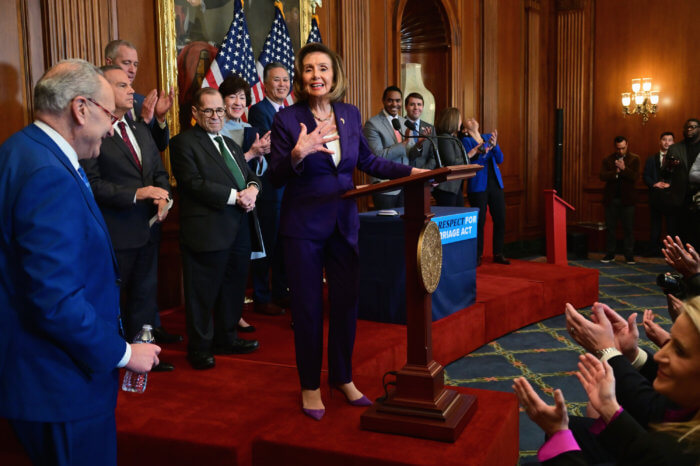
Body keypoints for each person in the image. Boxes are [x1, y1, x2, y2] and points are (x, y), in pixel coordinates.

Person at [0, 59, 160, 465]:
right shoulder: (46, 173)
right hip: (59, 385)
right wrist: (124, 354)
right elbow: (56, 302)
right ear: (81, 108)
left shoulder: (21, 150)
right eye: (110, 115)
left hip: (38, 377)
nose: (111, 128)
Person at [269, 42, 424, 420]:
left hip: (344, 224)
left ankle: (342, 376)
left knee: (346, 303)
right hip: (303, 228)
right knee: (307, 309)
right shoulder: (288, 120)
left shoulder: (350, 115)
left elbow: (368, 161)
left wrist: (413, 173)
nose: (315, 75)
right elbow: (273, 177)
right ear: (301, 77)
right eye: (308, 69)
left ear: (334, 75)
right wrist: (297, 154)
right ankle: (309, 385)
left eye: (322, 68)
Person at [514, 298, 700, 465]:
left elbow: (655, 424)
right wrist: (610, 408)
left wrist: (558, 436)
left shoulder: (680, 452)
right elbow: (663, 411)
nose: (659, 355)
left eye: (679, 350)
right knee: (576, 428)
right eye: (669, 341)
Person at [79, 66, 175, 372]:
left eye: (130, 83)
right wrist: (139, 193)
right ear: (102, 92)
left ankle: (143, 353)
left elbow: (158, 171)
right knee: (114, 300)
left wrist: (163, 195)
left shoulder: (138, 128)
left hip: (148, 229)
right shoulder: (94, 133)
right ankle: (113, 357)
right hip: (115, 232)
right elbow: (92, 184)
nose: (131, 89)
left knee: (144, 296)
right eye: (122, 85)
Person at [170, 87, 261, 370]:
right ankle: (199, 347)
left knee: (233, 289)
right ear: (195, 113)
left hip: (238, 230)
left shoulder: (231, 144)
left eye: (219, 110)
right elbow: (193, 183)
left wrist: (253, 190)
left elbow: (250, 176)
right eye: (208, 110)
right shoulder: (183, 143)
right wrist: (238, 197)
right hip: (206, 231)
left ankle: (227, 338)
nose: (215, 116)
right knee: (202, 293)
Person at [219, 73, 271, 333]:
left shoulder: (251, 129)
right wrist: (251, 153)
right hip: (221, 204)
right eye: (232, 96)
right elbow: (225, 168)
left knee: (241, 264)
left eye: (242, 97)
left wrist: (260, 155)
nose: (238, 102)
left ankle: (235, 312)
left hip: (248, 203)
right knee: (223, 264)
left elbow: (258, 171)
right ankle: (222, 315)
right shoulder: (215, 128)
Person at [248, 62, 292, 316]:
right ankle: (262, 297)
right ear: (265, 83)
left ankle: (281, 292)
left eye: (286, 80)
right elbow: (274, 145)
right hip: (271, 190)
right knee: (268, 243)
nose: (282, 84)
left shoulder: (292, 110)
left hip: (290, 190)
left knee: (285, 244)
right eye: (277, 80)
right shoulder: (259, 110)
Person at [105, 39, 174, 152]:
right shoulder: (97, 101)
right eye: (126, 63)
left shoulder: (142, 101)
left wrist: (160, 118)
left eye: (135, 64)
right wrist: (143, 121)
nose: (132, 70)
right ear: (109, 62)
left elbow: (160, 145)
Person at [363, 86, 423, 209]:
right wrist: (404, 144)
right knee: (388, 226)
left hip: (406, 184)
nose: (394, 104)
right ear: (383, 101)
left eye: (398, 100)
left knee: (404, 226)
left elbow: (410, 154)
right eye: (390, 100)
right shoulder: (372, 124)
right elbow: (377, 156)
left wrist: (418, 145)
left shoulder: (404, 122)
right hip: (385, 186)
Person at [462, 117, 508, 265]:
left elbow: (500, 159)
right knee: (479, 221)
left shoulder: (488, 137)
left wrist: (494, 146)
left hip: (495, 183)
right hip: (478, 185)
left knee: (500, 218)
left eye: (472, 118)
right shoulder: (465, 141)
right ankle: (477, 256)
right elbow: (470, 162)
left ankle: (498, 253)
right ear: (465, 130)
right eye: (468, 120)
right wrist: (482, 151)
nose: (472, 119)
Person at [643, 132, 686, 256]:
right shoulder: (651, 158)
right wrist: (654, 184)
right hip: (655, 197)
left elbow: (681, 177)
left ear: (673, 143)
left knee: (671, 226)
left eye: (670, 140)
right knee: (655, 225)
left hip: (671, 197)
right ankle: (653, 251)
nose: (667, 142)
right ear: (660, 141)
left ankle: (671, 252)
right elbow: (646, 175)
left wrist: (671, 185)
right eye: (664, 140)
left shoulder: (678, 159)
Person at [600, 136, 640, 265]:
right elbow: (602, 176)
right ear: (615, 147)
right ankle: (610, 253)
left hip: (628, 201)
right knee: (610, 228)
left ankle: (629, 255)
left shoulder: (634, 158)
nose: (621, 151)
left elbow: (635, 177)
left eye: (623, 148)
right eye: (618, 149)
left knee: (628, 228)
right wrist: (615, 172)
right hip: (611, 199)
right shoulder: (608, 159)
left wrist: (623, 169)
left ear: (627, 145)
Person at [430, 107, 468, 206]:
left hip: (454, 187)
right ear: (453, 121)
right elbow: (450, 161)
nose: (461, 122)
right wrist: (468, 155)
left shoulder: (454, 138)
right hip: (446, 188)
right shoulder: (444, 138)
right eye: (459, 119)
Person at [403, 92, 436, 169]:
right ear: (405, 107)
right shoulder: (399, 126)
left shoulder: (430, 128)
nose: (416, 108)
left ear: (423, 107)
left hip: (424, 176)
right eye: (412, 104)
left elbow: (433, 157)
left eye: (419, 104)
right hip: (404, 174)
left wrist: (423, 173)